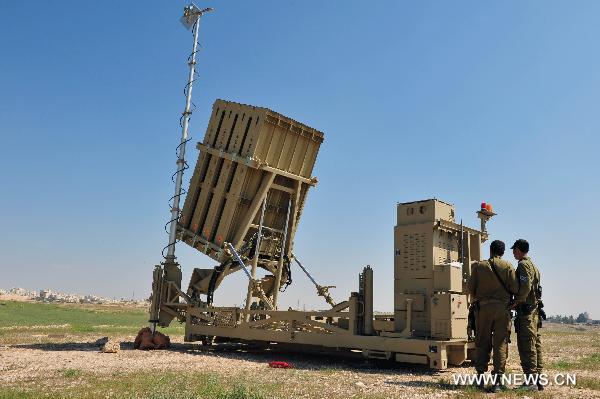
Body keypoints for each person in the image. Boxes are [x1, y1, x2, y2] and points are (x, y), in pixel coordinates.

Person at [468, 240, 518, 392]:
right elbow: (515, 288)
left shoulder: (479, 266)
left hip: (483, 310)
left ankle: (480, 379)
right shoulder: (508, 266)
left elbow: (470, 289)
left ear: (490, 251)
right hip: (502, 310)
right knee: (500, 345)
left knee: (482, 342)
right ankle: (497, 383)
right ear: (502, 252)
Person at [511, 238, 544, 391]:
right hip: (534, 312)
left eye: (514, 250)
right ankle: (538, 379)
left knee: (527, 346)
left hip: (527, 312)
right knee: (535, 345)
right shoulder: (533, 265)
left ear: (519, 249)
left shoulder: (523, 265)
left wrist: (517, 301)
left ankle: (530, 382)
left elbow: (525, 287)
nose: (513, 252)